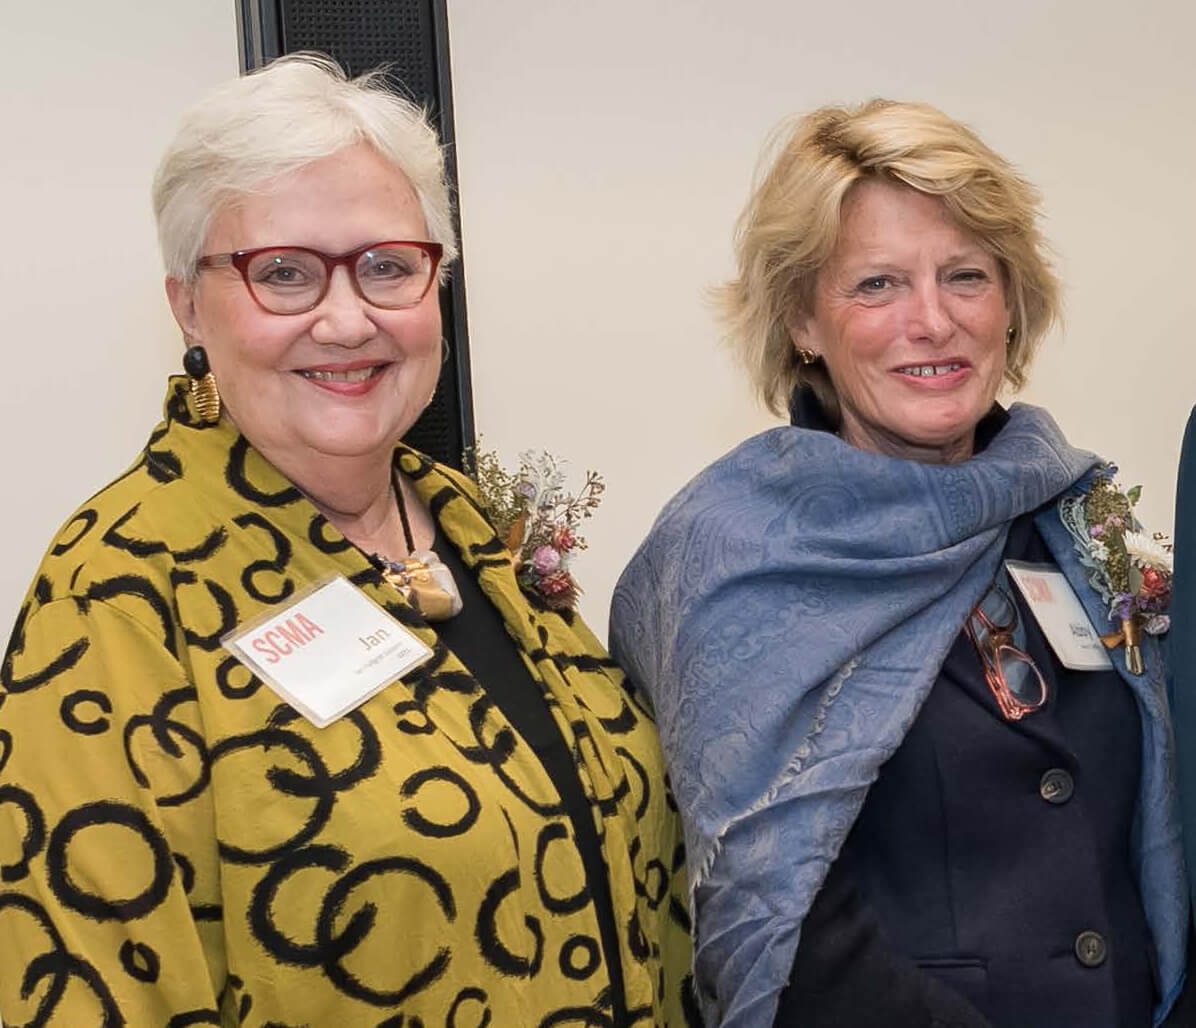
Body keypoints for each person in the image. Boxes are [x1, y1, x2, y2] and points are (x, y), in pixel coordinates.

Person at [0, 54, 692, 1026]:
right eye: (282, 271)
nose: (345, 314)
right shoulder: (121, 591)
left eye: (386, 265)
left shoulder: (463, 520)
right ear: (188, 305)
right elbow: (93, 987)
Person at [610, 99, 1191, 1028]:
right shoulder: (736, 551)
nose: (933, 321)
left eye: (966, 275)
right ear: (803, 320)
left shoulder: (1071, 518)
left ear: (1012, 302)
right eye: (877, 285)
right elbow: (782, 928)